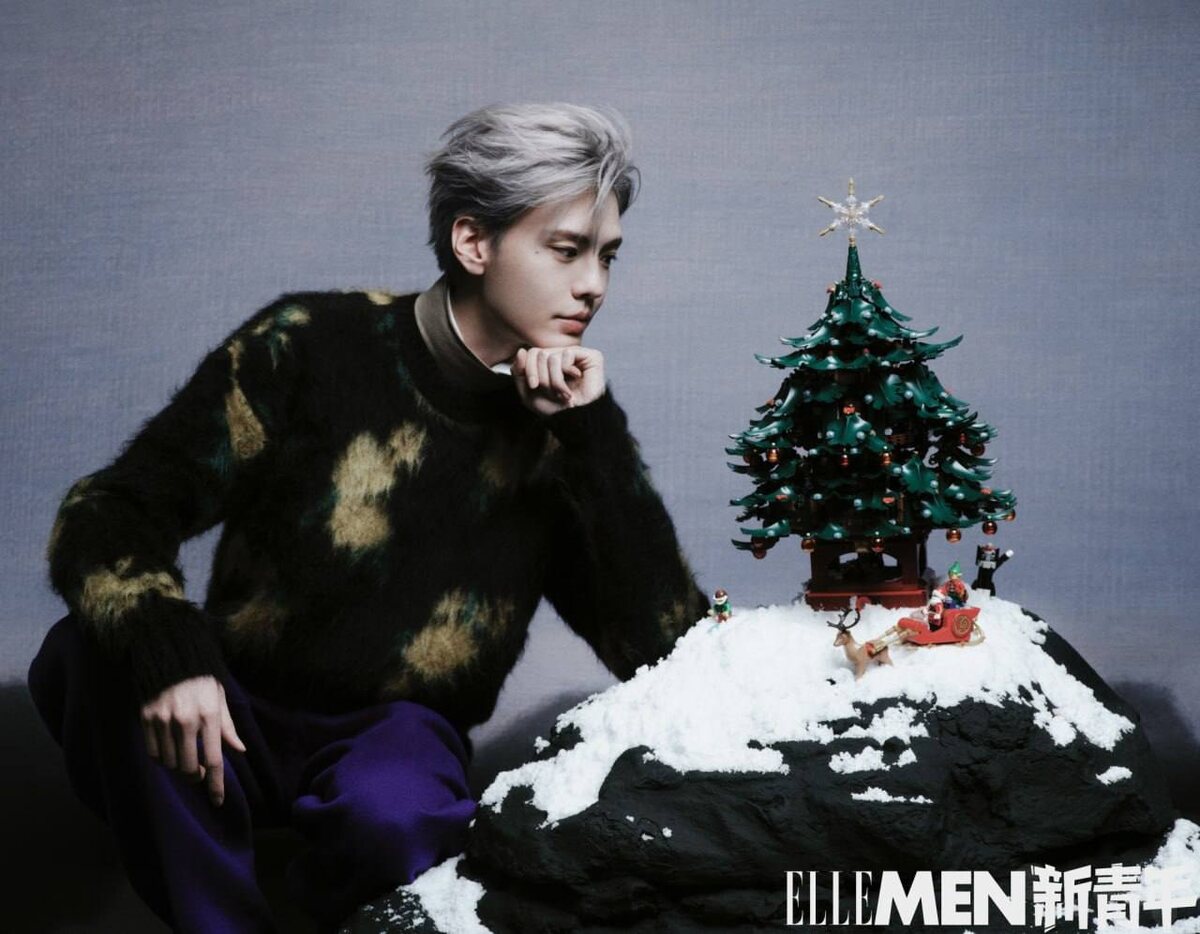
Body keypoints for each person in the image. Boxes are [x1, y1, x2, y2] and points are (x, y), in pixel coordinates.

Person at [28, 102, 707, 932]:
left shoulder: (563, 435)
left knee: (396, 816)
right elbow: (110, 511)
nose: (594, 283)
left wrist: (593, 435)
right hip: (232, 706)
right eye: (566, 250)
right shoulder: (309, 345)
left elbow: (666, 648)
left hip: (395, 736)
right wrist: (172, 659)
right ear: (473, 242)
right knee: (88, 654)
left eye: (607, 256)